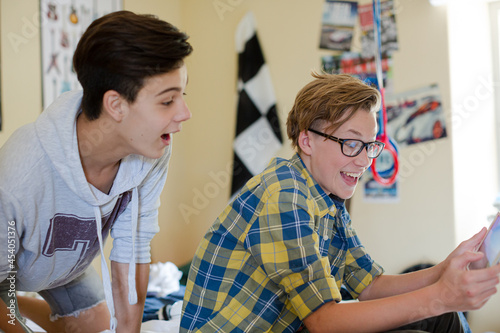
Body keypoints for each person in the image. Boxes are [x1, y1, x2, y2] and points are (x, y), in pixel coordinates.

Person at [180, 73, 500, 332]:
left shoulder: (328, 197)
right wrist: (442, 296)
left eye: (369, 145)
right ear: (307, 141)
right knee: (436, 314)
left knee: (443, 318)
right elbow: (324, 321)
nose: (363, 160)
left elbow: (369, 285)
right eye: (350, 143)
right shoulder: (285, 194)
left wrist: (445, 269)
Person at [0, 10, 192, 333]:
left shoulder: (152, 151)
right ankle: (13, 301)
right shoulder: (19, 177)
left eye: (182, 96)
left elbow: (133, 252)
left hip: (68, 269)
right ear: (115, 105)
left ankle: (25, 305)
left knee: (98, 328)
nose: (184, 114)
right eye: (167, 101)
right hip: (5, 271)